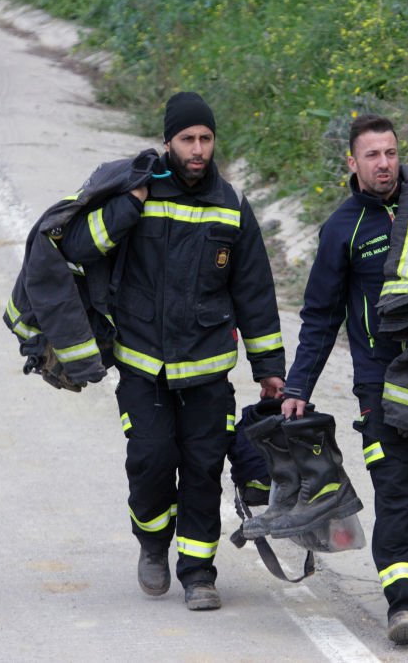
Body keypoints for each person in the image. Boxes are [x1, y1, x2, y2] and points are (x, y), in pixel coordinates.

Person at [58, 92, 285, 611]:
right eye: (188, 139)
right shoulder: (134, 191)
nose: (198, 149)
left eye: (205, 138)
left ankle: (199, 573)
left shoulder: (231, 206)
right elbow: (78, 247)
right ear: (167, 143)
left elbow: (255, 292)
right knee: (152, 461)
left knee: (203, 469)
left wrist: (270, 369)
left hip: (207, 369)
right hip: (142, 365)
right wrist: (127, 208)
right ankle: (152, 544)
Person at [281, 115, 408, 645]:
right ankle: (402, 606)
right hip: (379, 385)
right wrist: (297, 388)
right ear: (352, 163)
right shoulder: (343, 229)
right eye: (373, 155)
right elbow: (319, 316)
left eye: (391, 153)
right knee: (397, 490)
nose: (384, 164)